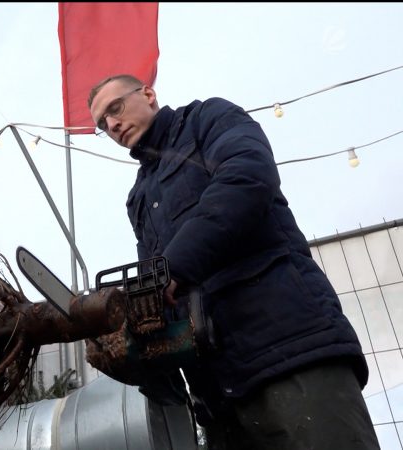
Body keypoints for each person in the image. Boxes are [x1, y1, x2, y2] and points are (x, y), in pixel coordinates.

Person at [85, 74, 380, 450]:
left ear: (147, 94)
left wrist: (173, 269)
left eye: (116, 108)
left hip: (290, 352)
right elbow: (162, 295)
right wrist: (135, 341)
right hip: (218, 396)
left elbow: (247, 178)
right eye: (102, 124)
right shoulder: (139, 197)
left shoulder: (208, 120)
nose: (111, 125)